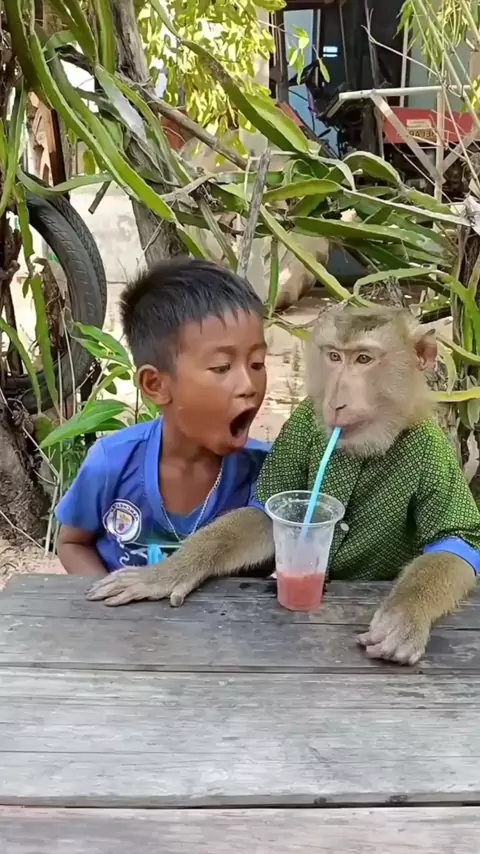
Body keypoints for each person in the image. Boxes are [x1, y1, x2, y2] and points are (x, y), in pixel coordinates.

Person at [56, 258, 269, 576]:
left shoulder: (266, 472)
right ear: (156, 385)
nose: (249, 385)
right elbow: (72, 543)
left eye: (257, 363)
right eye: (222, 367)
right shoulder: (112, 463)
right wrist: (108, 600)